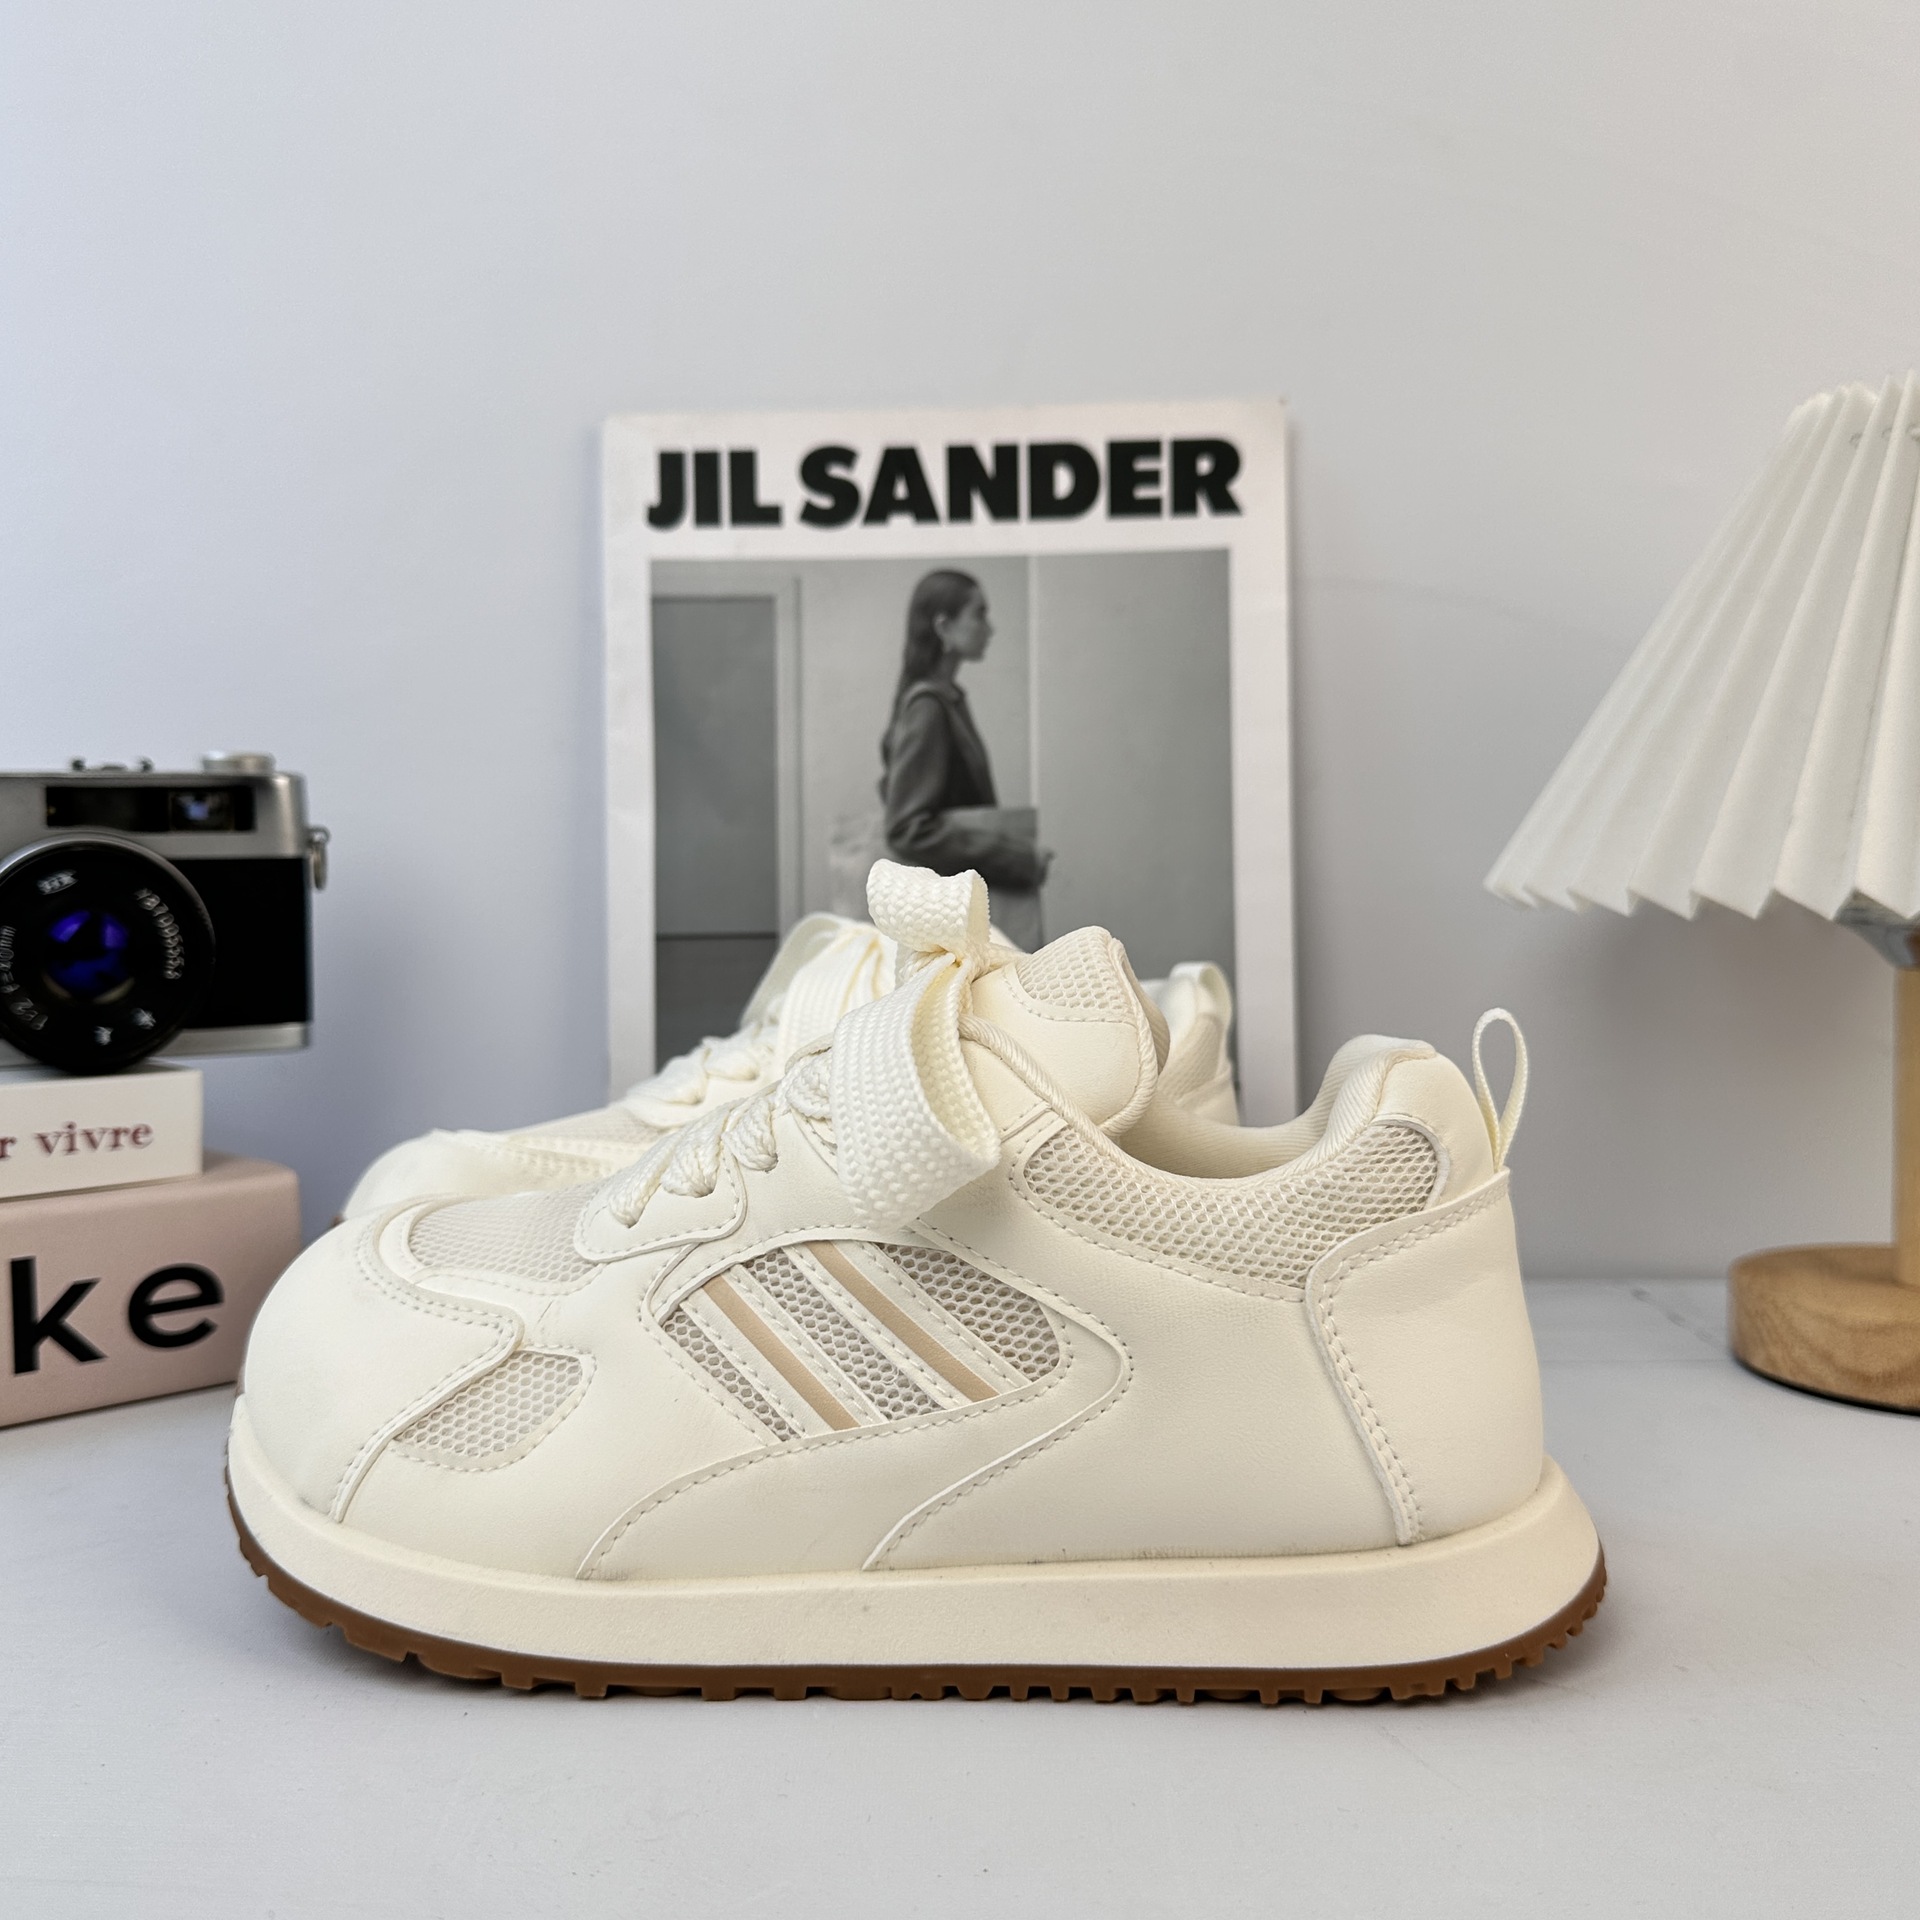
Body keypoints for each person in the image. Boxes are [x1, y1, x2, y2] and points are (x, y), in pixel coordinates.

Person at [879, 571, 1051, 916]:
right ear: (944, 627)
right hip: (950, 912)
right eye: (979, 614)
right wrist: (1017, 857)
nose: (989, 628)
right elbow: (906, 829)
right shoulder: (928, 706)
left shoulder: (945, 700)